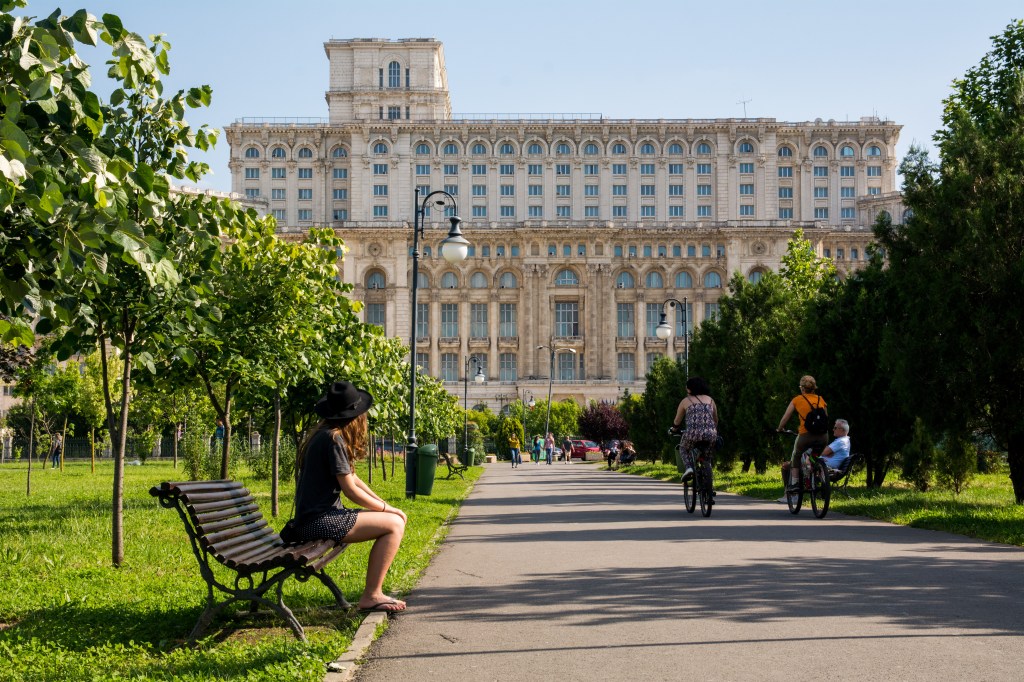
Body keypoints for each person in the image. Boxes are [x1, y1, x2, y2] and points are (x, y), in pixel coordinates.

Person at [288, 381, 408, 614]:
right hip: (316, 522)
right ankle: (372, 595)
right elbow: (350, 491)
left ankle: (374, 593)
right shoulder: (333, 440)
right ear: (355, 417)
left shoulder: (326, 435)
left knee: (394, 519)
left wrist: (387, 506)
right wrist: (387, 511)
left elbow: (354, 479)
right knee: (394, 526)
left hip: (313, 519)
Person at [776, 375, 828, 491]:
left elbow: (785, 418)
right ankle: (816, 470)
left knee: (796, 454)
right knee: (816, 453)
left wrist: (780, 428)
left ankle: (795, 482)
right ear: (814, 388)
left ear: (802, 388)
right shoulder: (821, 399)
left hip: (806, 435)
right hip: (823, 436)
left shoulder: (797, 400)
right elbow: (825, 417)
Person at [671, 377, 719, 482]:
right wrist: (712, 430)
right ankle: (708, 477)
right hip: (711, 434)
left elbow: (677, 421)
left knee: (683, 448)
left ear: (690, 389)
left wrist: (673, 429)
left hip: (693, 434)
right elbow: (715, 419)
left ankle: (689, 468)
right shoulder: (710, 400)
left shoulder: (686, 401)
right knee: (707, 456)